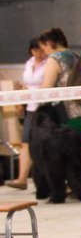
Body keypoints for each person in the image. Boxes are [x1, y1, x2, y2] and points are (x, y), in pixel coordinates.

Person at [6, 39, 48, 190]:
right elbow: (24, 84)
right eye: (36, 50)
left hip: (44, 108)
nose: (39, 53)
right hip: (30, 107)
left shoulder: (49, 62)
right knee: (25, 143)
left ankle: (47, 181)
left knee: (44, 145)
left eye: (41, 49)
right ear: (31, 50)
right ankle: (22, 178)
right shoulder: (29, 63)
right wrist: (19, 103)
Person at [38, 28, 81, 133]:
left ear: (48, 43)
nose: (44, 52)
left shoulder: (54, 59)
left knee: (68, 147)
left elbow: (47, 87)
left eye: (43, 48)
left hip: (66, 113)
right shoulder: (77, 56)